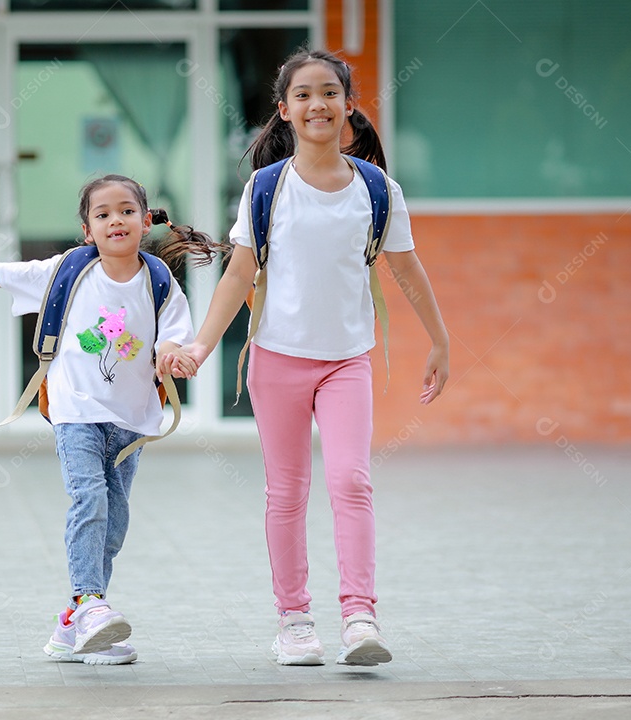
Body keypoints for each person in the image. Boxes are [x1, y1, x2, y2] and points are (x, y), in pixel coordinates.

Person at [177, 48, 450, 667]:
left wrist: (441, 339)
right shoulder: (266, 187)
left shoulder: (377, 189)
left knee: (351, 481)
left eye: (329, 92)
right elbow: (239, 271)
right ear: (284, 111)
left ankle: (360, 615)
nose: (317, 103)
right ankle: (294, 620)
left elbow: (405, 267)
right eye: (302, 94)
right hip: (277, 360)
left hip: (346, 361)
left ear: (349, 104)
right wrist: (201, 345)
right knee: (287, 493)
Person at [0, 175, 220, 665]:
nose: (116, 219)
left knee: (113, 525)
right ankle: (93, 605)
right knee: (89, 500)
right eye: (103, 214)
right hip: (76, 413)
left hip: (131, 421)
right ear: (87, 229)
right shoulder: (69, 270)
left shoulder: (159, 279)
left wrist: (173, 358)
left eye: (126, 211)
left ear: (145, 219)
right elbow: (4, 274)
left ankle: (74, 624)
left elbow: (172, 338)